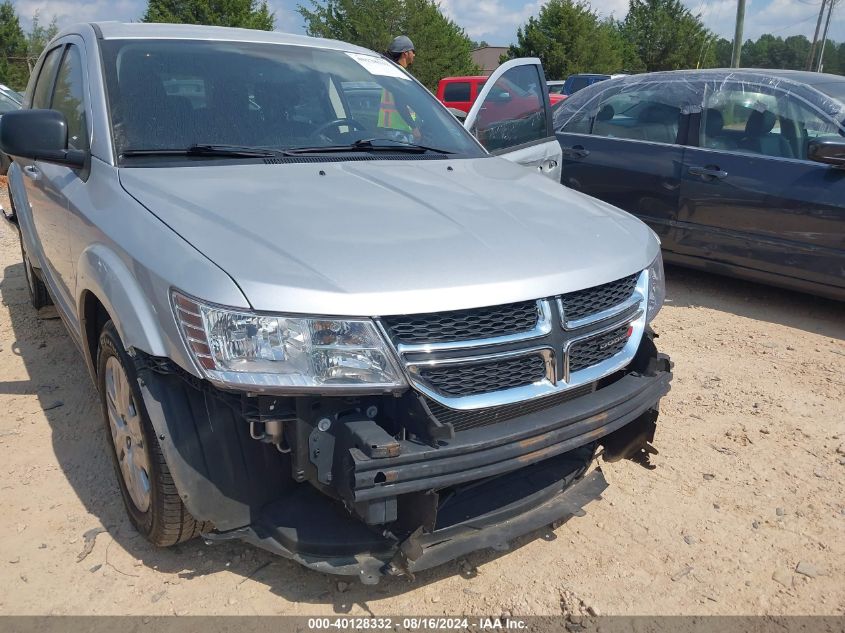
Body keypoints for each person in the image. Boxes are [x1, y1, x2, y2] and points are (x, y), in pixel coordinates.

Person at [379, 35, 419, 137]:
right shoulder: (400, 75)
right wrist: (414, 127)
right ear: (406, 53)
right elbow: (400, 104)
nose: (414, 55)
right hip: (401, 130)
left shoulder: (387, 71)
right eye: (413, 51)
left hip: (388, 128)